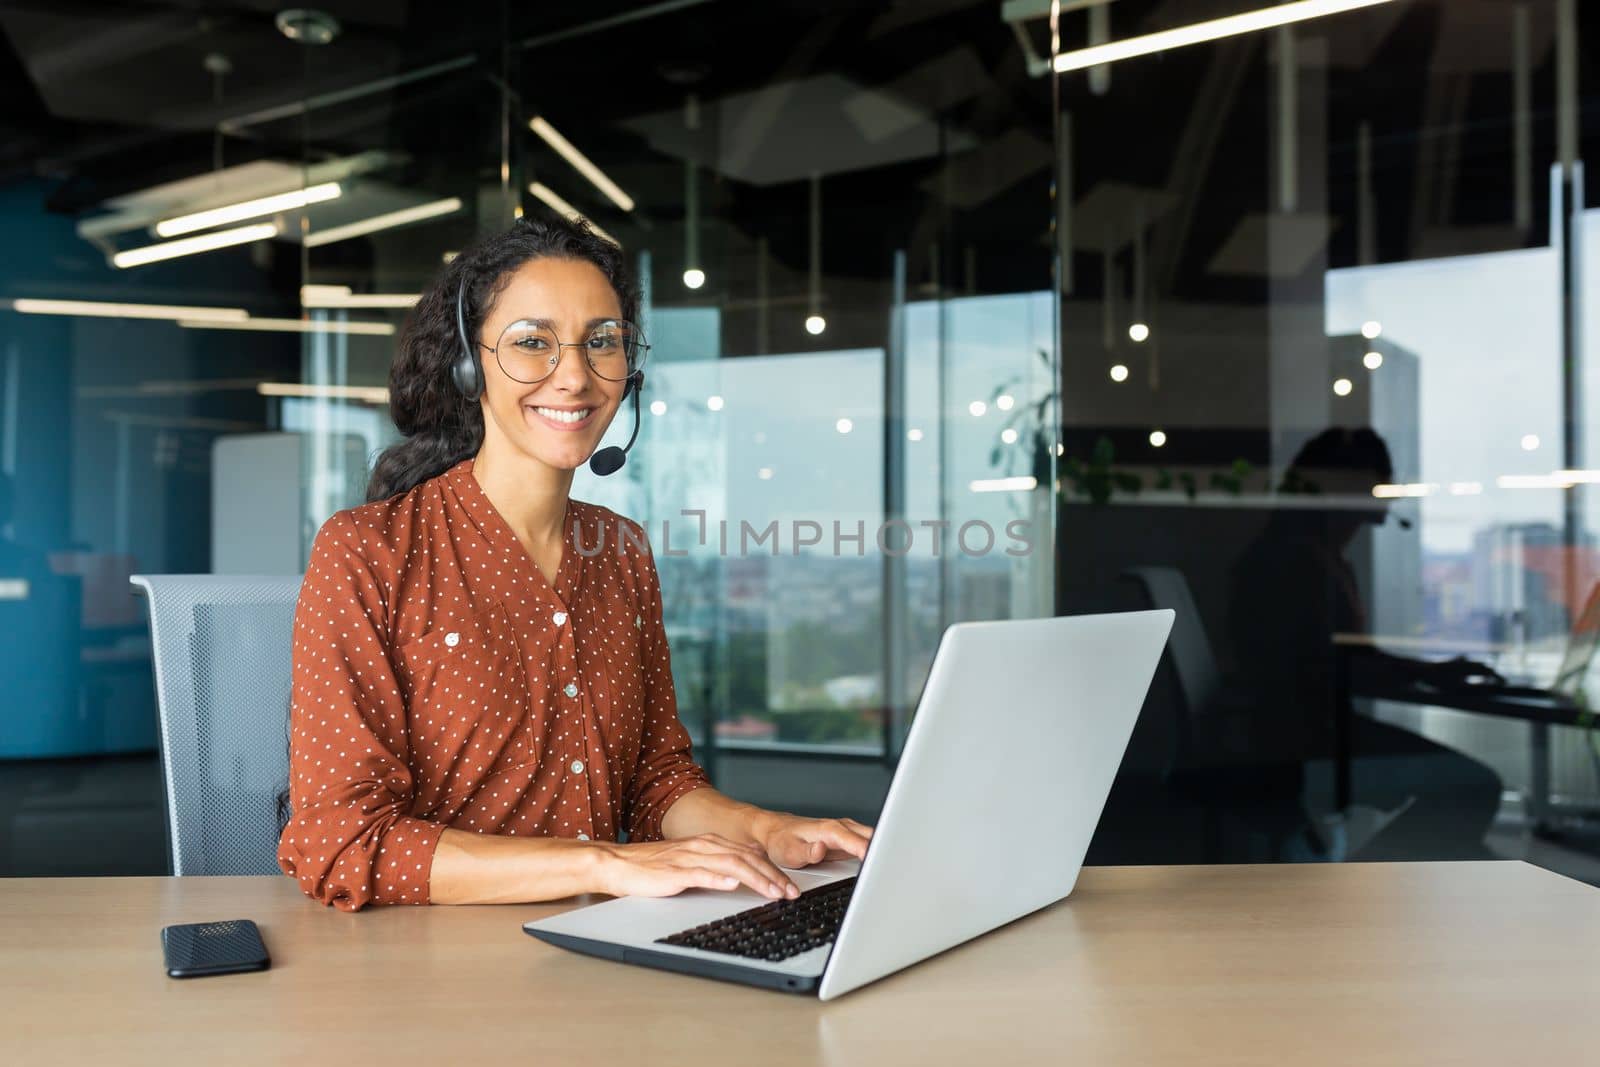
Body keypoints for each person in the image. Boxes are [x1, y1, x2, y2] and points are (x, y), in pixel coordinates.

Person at [277, 215, 872, 911]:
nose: (575, 377)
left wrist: (770, 830)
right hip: (425, 969)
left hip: (595, 949)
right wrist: (604, 863)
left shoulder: (619, 550)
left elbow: (657, 783)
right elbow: (343, 842)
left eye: (602, 342)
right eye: (533, 343)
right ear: (471, 362)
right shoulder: (367, 550)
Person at [1225, 428, 1504, 860]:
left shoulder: (1314, 556)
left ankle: (1366, 885)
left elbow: (1343, 660)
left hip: (1309, 736)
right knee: (1474, 788)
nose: (1389, 495)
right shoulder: (1299, 562)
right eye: (1382, 482)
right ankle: (1365, 886)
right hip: (1305, 745)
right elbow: (1327, 668)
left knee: (1470, 812)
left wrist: (1429, 674)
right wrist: (1429, 676)